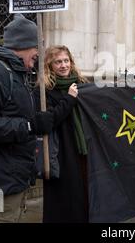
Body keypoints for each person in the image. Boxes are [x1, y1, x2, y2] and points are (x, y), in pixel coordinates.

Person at [0, 14, 54, 223]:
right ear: (24, 45)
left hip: (12, 177)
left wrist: (35, 120)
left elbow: (13, 115)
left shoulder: (16, 73)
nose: (38, 57)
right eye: (36, 50)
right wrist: (30, 125)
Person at [34, 45, 89, 223]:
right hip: (59, 153)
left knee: (83, 198)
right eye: (58, 62)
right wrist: (69, 99)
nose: (63, 65)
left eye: (66, 61)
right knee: (62, 200)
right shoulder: (44, 91)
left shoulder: (82, 85)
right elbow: (47, 121)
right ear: (50, 66)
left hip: (83, 151)